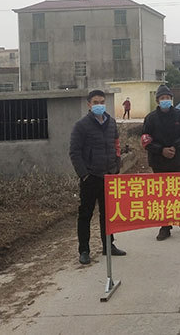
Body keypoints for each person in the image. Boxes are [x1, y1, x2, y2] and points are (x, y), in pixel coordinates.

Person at [69, 89, 126, 265]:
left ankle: (108, 245)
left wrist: (116, 166)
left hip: (109, 176)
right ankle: (84, 250)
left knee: (108, 214)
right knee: (85, 214)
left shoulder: (111, 123)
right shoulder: (81, 126)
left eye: (102, 102)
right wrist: (84, 174)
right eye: (95, 102)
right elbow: (74, 152)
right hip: (91, 177)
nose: (99, 105)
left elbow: (116, 146)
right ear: (89, 104)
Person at [141, 84, 180, 240]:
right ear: (157, 101)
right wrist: (161, 150)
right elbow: (145, 140)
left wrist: (175, 147)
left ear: (171, 99)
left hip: (177, 160)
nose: (165, 100)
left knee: (179, 192)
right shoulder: (150, 118)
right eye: (162, 98)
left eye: (168, 98)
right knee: (162, 195)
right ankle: (165, 227)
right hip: (158, 162)